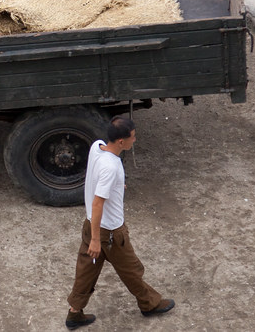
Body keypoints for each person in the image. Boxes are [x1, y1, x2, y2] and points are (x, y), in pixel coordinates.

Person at [65, 115, 175, 329]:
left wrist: (117, 186)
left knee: (86, 272)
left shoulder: (97, 147)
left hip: (90, 226)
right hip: (111, 233)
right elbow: (98, 204)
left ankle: (74, 312)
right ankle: (149, 304)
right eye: (132, 137)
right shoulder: (111, 167)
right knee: (131, 270)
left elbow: (99, 181)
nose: (135, 140)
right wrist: (97, 240)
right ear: (121, 142)